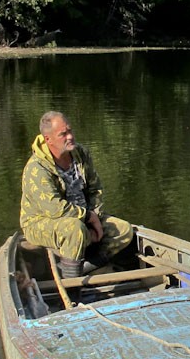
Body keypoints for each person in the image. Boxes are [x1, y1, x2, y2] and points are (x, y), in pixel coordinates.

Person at [20, 111, 135, 285]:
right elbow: (55, 209)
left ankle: (86, 266)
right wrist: (89, 217)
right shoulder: (36, 168)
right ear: (48, 139)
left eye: (70, 131)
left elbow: (95, 188)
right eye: (63, 134)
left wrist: (95, 216)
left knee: (124, 230)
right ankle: (72, 288)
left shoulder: (80, 153)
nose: (70, 137)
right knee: (74, 229)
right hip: (40, 222)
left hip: (83, 218)